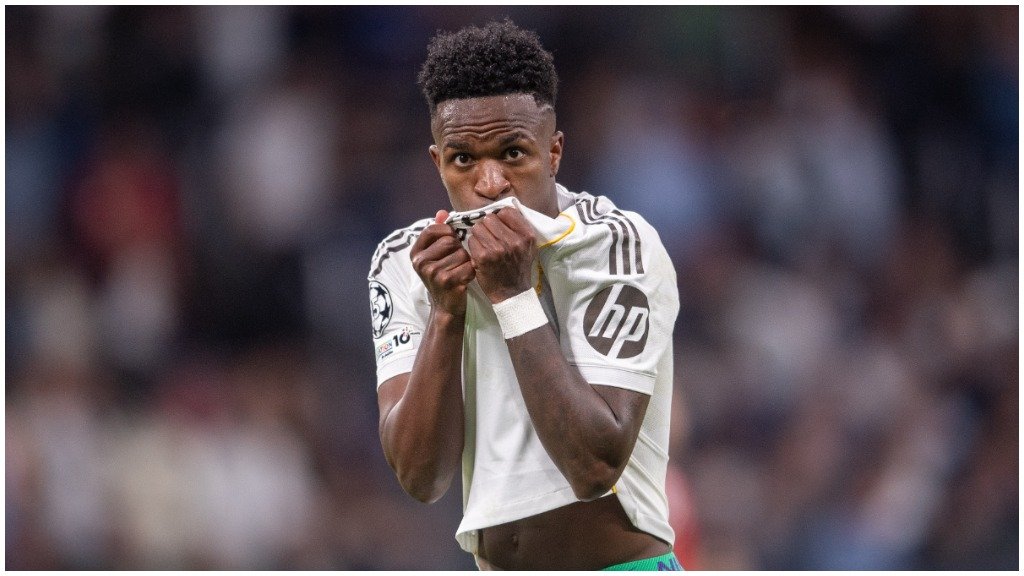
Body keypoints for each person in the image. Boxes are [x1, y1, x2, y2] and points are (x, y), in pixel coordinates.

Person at [367, 19, 682, 571]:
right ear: (437, 162)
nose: (490, 183)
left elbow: (594, 466)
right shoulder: (405, 262)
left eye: (513, 153)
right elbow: (422, 478)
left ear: (554, 152)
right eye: (464, 158)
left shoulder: (615, 246)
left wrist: (513, 294)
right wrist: (446, 313)